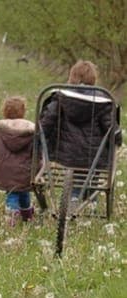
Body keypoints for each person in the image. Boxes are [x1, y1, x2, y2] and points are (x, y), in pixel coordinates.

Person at [40, 60, 122, 213]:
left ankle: (73, 200)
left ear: (72, 77)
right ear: (93, 79)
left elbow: (47, 121)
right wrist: (118, 139)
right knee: (93, 177)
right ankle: (91, 206)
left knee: (76, 177)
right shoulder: (102, 100)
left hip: (67, 153)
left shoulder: (61, 96)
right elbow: (111, 127)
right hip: (94, 156)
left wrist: (40, 138)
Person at [0, 96, 35, 226]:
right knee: (22, 190)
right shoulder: (31, 130)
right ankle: (26, 214)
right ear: (23, 111)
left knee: (12, 192)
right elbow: (36, 150)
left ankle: (12, 214)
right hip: (25, 169)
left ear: (4, 111)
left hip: (4, 169)